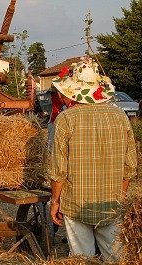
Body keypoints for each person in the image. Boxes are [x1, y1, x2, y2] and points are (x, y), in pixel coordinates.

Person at [49, 57, 137, 262]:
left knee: (82, 258)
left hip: (75, 204)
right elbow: (130, 166)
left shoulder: (66, 119)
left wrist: (55, 202)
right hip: (111, 203)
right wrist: (120, 196)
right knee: (116, 258)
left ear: (72, 91)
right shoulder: (120, 116)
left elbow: (59, 170)